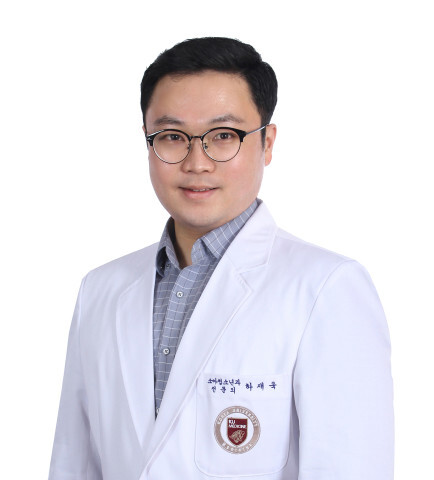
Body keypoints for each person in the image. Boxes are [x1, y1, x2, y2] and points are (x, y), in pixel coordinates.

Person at [49, 37, 394, 480]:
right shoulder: (100, 290)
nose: (197, 162)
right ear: (147, 143)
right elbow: (73, 465)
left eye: (224, 136)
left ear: (267, 143)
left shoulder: (327, 289)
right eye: (172, 137)